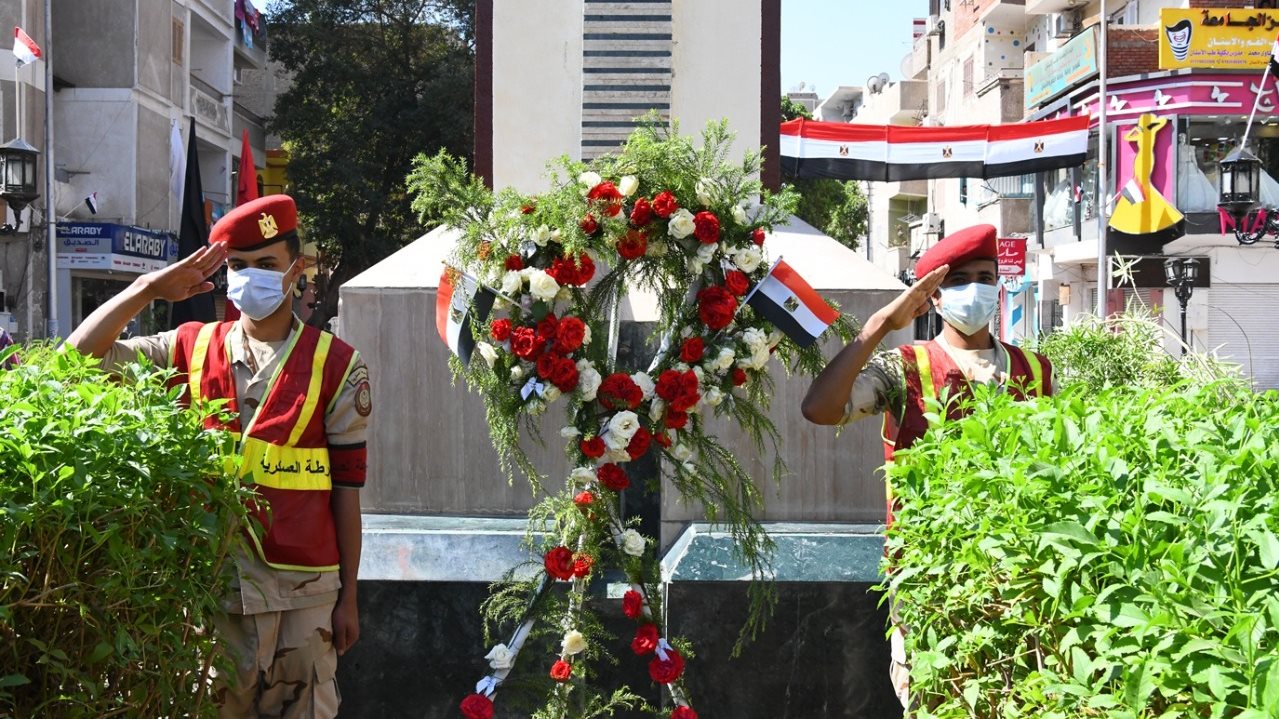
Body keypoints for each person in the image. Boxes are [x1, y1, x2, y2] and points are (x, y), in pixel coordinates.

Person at [66, 195, 371, 718]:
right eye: (237, 266)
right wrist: (145, 289)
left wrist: (349, 597)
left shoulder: (337, 365)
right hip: (211, 596)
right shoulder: (188, 348)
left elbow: (346, 491)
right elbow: (78, 360)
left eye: (267, 265)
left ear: (295, 270)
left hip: (305, 599)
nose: (250, 278)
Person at [801, 223, 1053, 710]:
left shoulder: (1035, 370)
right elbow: (820, 409)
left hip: (1021, 576)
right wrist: (877, 327)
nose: (974, 288)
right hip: (930, 580)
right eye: (957, 281)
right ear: (933, 297)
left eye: (984, 275)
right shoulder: (905, 367)